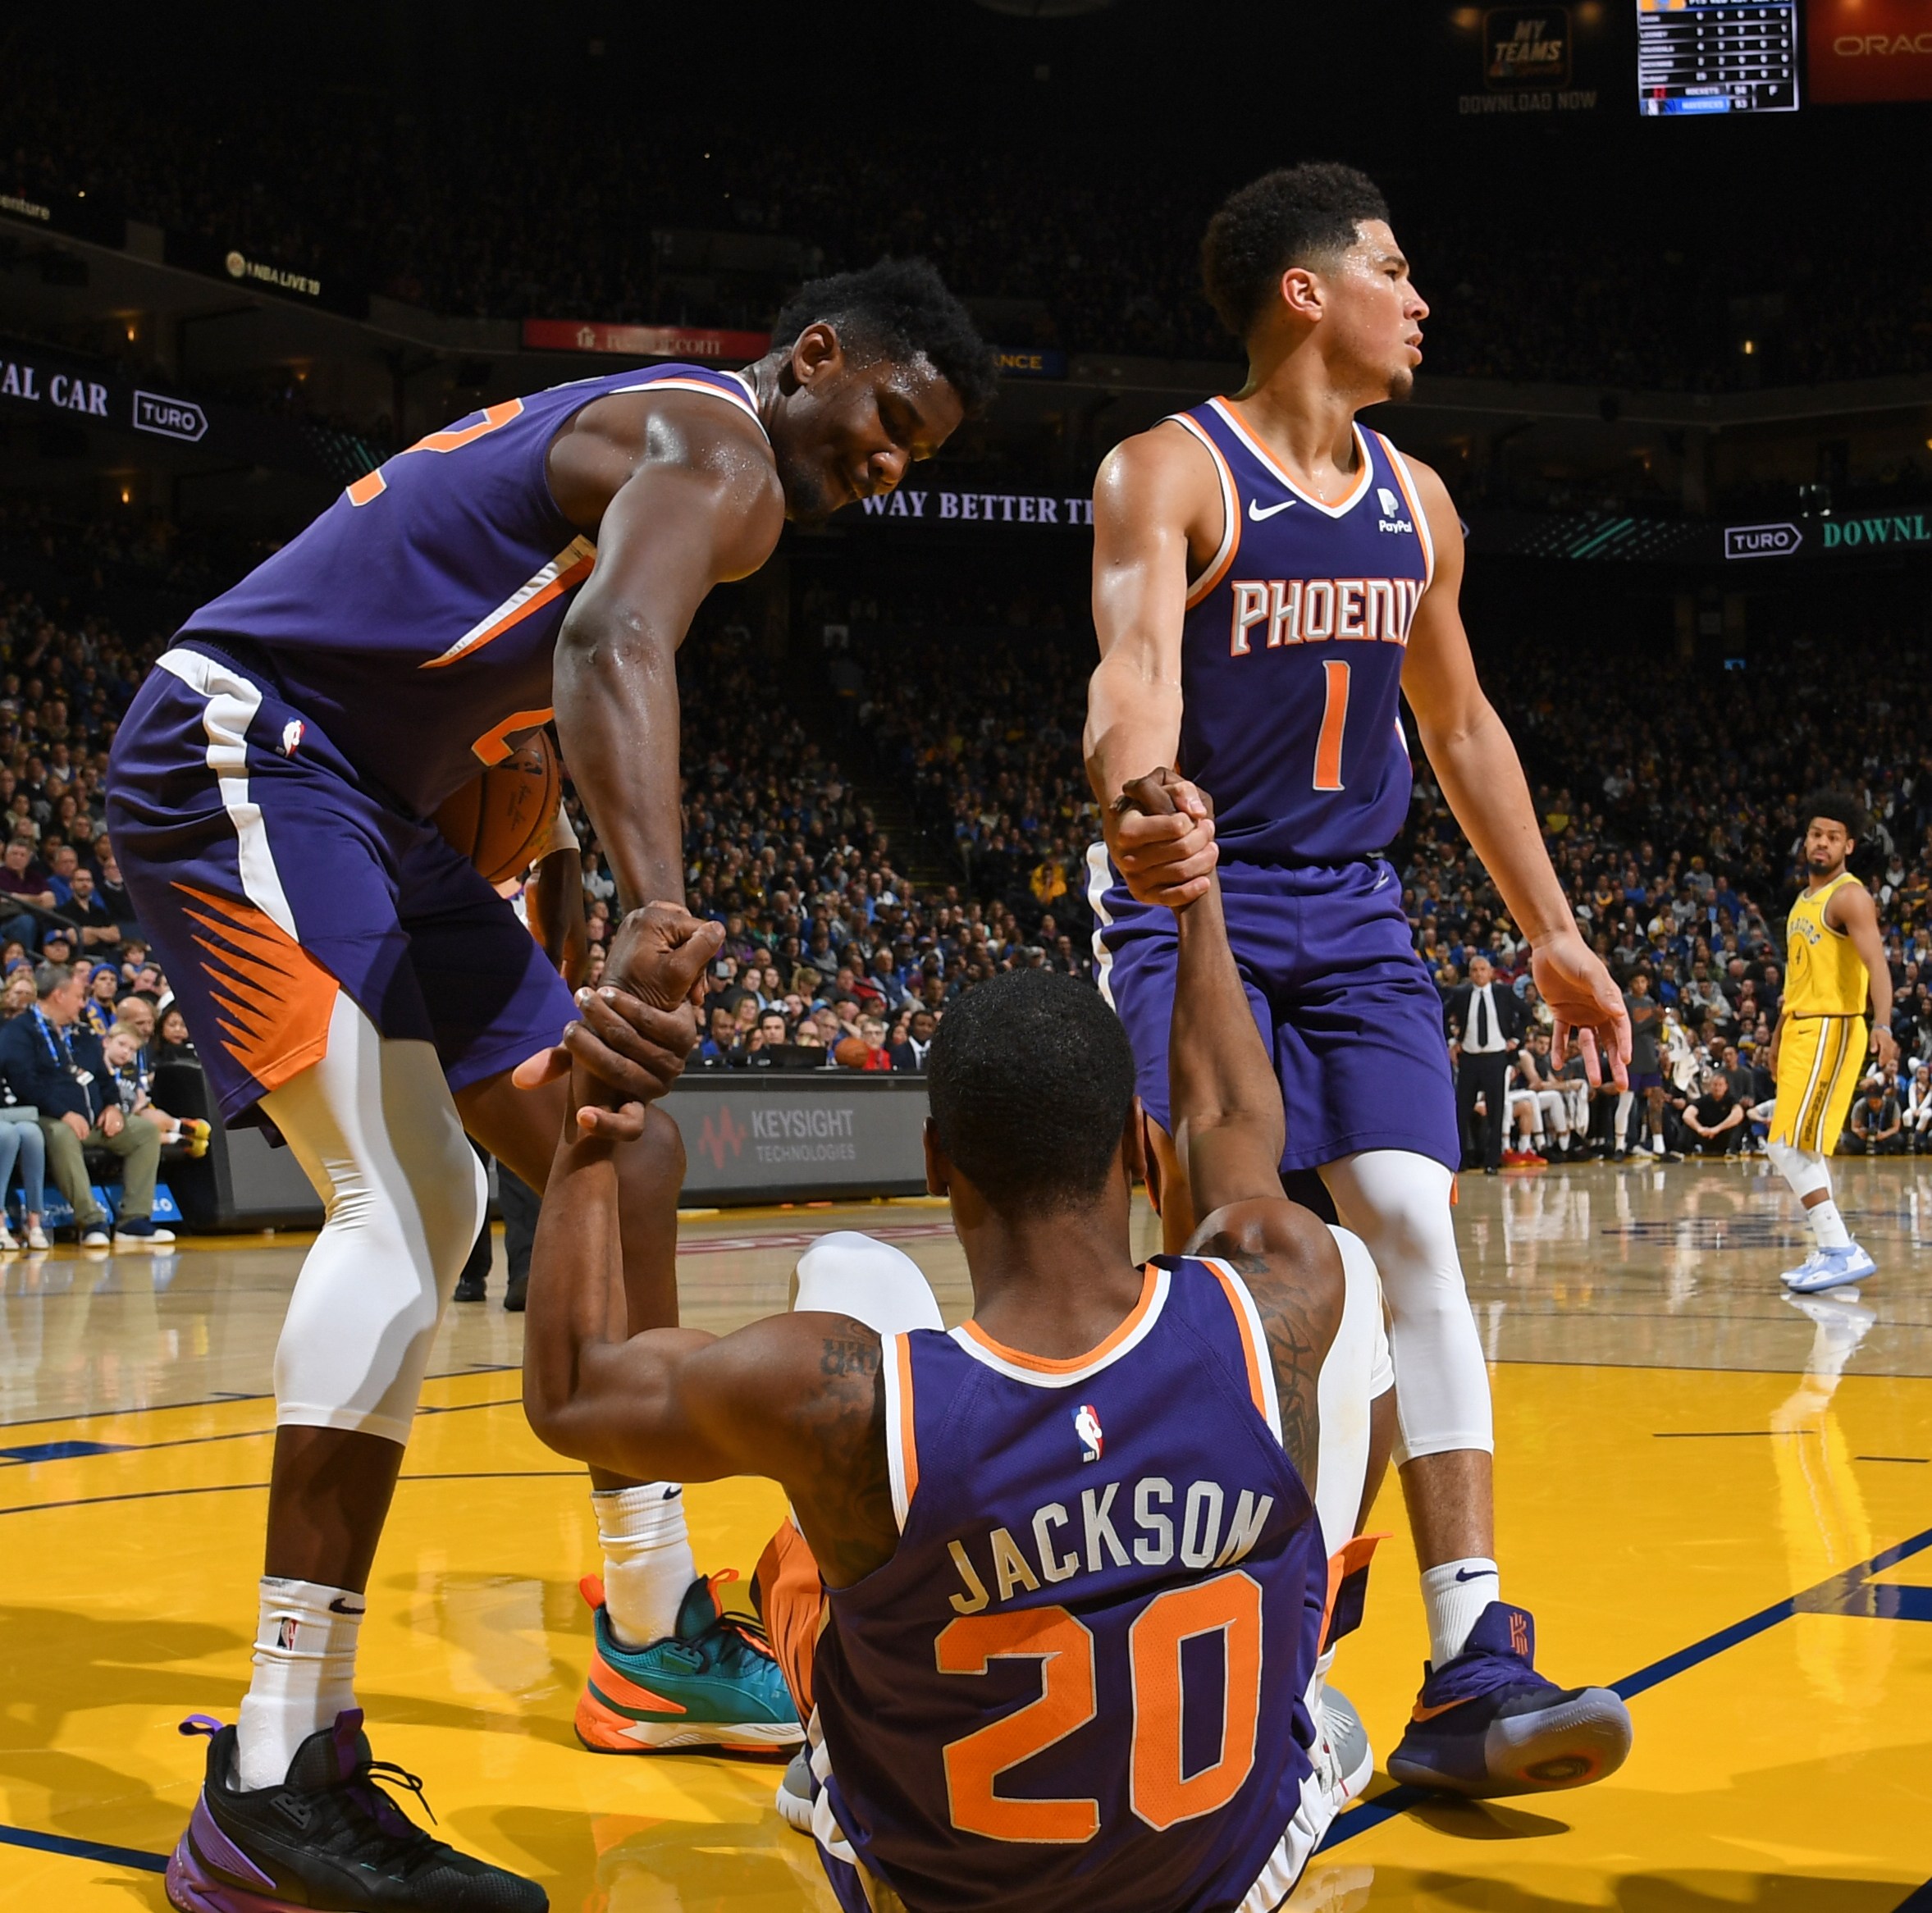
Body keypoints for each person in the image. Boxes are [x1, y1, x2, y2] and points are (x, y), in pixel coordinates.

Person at [107, 258, 994, 1911]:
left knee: (618, 1149)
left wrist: (573, 859)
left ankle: (650, 1624)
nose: (889, 464)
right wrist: (661, 909)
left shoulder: (664, 449)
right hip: (252, 740)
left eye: (918, 454)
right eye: (885, 418)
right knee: (416, 1201)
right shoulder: (718, 452)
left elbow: (532, 667)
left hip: (377, 792)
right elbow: (607, 642)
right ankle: (277, 1768)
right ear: (814, 357)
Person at [519, 872, 1423, 1911]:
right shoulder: (1276, 1299)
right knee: (1350, 1258)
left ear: (938, 1160)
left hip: (931, 1888)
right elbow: (1221, 1113)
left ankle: (820, 1757)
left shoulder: (844, 1402)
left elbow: (572, 1388)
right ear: (1136, 1145)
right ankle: (1299, 1673)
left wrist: (600, 1096)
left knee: (852, 1266)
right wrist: (1196, 898)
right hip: (1228, 1880)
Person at [1083, 161, 1631, 1794]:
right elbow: (1131, 674)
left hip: (1358, 906)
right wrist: (1137, 804)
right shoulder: (1168, 469)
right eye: (1391, 269)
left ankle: (1466, 1644)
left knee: (1409, 1226)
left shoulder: (1421, 502)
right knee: (1249, 1255)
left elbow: (1455, 726)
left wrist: (1548, 927)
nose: (1419, 297)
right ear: (1303, 292)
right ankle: (1222, 1621)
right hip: (1203, 904)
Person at [1767, 794, 1895, 1293]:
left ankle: (1839, 1249)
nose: (1821, 842)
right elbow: (1796, 978)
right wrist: (1778, 1036)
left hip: (1832, 1026)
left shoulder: (1849, 897)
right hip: (1801, 1025)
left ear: (1849, 845)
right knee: (1799, 1147)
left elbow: (1878, 965)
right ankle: (1833, 1249)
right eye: (1816, 833)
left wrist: (1882, 1025)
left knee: (1786, 1146)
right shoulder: (1804, 900)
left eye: (1833, 836)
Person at [0, 962, 170, 1246]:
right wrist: (63, 1113)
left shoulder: (82, 1032)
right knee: (62, 1134)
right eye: (79, 997)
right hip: (43, 1119)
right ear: (59, 995)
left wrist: (113, 1106)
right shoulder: (18, 1032)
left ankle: (134, 1221)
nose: (83, 1003)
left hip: (94, 1117)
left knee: (145, 1131)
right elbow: (24, 1084)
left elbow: (104, 1077)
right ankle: (92, 1221)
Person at [1444, 954, 1526, 1175]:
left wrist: (1516, 1040)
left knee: (1496, 1111)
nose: (1479, 974)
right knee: (1461, 1110)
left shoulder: (1504, 993)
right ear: (1470, 974)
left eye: (1483, 969)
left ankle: (1492, 1161)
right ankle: (1460, 1159)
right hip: (1469, 1058)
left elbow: (1527, 1014)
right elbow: (1441, 1015)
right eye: (1475, 970)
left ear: (1491, 972)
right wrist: (1452, 1042)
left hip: (1495, 1057)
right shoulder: (1461, 994)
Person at [1680, 1071, 1747, 1157]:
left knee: (1738, 1125)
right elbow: (1687, 1115)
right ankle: (1680, 1151)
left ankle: (1732, 1150)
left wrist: (1717, 1129)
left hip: (1723, 1135)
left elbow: (1739, 1115)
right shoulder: (1703, 1100)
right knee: (1687, 1125)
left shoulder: (1731, 1100)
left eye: (1720, 1085)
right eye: (1715, 1085)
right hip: (1705, 1135)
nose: (1717, 1088)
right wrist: (1699, 1128)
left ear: (1726, 1087)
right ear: (1710, 1086)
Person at [1847, 1079, 1903, 1156]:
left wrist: (1884, 1134)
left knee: (1898, 1138)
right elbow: (1854, 1127)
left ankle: (1876, 1149)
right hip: (1866, 1136)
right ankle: (1874, 1149)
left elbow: (1896, 1127)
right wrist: (1859, 1132)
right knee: (1846, 1139)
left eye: (1876, 1102)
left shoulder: (1893, 1104)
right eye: (1871, 1102)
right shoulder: (1860, 1105)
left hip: (1884, 1135)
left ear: (1881, 1098)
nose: (1874, 1105)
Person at [889, 1006, 938, 1071]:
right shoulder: (898, 1051)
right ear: (912, 1026)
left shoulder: (937, 1052)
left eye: (930, 1026)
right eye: (921, 1024)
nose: (925, 1029)